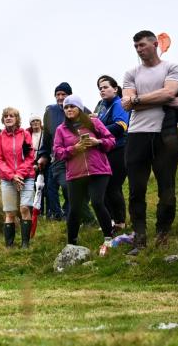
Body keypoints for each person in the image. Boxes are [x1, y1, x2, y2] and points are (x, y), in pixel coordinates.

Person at [122, 30, 178, 254]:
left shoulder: (172, 68)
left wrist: (138, 99)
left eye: (142, 45)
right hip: (137, 134)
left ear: (155, 44)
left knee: (166, 189)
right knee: (136, 191)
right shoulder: (131, 73)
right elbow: (127, 104)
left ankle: (162, 235)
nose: (138, 49)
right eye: (135, 46)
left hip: (164, 135)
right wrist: (163, 98)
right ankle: (139, 239)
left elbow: (170, 92)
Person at [53, 95, 116, 255]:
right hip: (76, 174)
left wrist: (98, 142)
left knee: (97, 202)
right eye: (66, 107)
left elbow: (111, 140)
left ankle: (108, 238)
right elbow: (58, 152)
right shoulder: (61, 129)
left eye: (72, 106)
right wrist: (75, 148)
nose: (69, 109)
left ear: (79, 108)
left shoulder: (94, 122)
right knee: (74, 209)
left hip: (98, 171)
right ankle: (71, 243)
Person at [36, 82, 93, 221]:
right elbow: (47, 136)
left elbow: (94, 128)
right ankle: (61, 214)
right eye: (58, 94)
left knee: (78, 189)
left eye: (63, 94)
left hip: (79, 156)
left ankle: (77, 216)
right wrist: (43, 155)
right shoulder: (50, 112)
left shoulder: (83, 109)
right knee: (63, 187)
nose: (60, 97)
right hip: (58, 157)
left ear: (70, 95)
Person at [0, 108, 36, 248]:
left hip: (27, 176)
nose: (8, 118)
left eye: (11, 116)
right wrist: (12, 176)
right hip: (7, 179)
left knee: (24, 208)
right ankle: (9, 246)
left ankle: (25, 244)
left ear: (17, 118)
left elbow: (30, 157)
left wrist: (20, 174)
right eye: (5, 116)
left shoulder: (25, 134)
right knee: (10, 211)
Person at [94, 75, 130, 235]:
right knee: (105, 188)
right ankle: (111, 221)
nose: (102, 90)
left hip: (119, 149)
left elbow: (121, 126)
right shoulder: (102, 105)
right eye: (100, 88)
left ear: (115, 89)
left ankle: (121, 222)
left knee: (114, 186)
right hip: (104, 151)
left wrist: (98, 130)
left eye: (105, 87)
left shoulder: (119, 103)